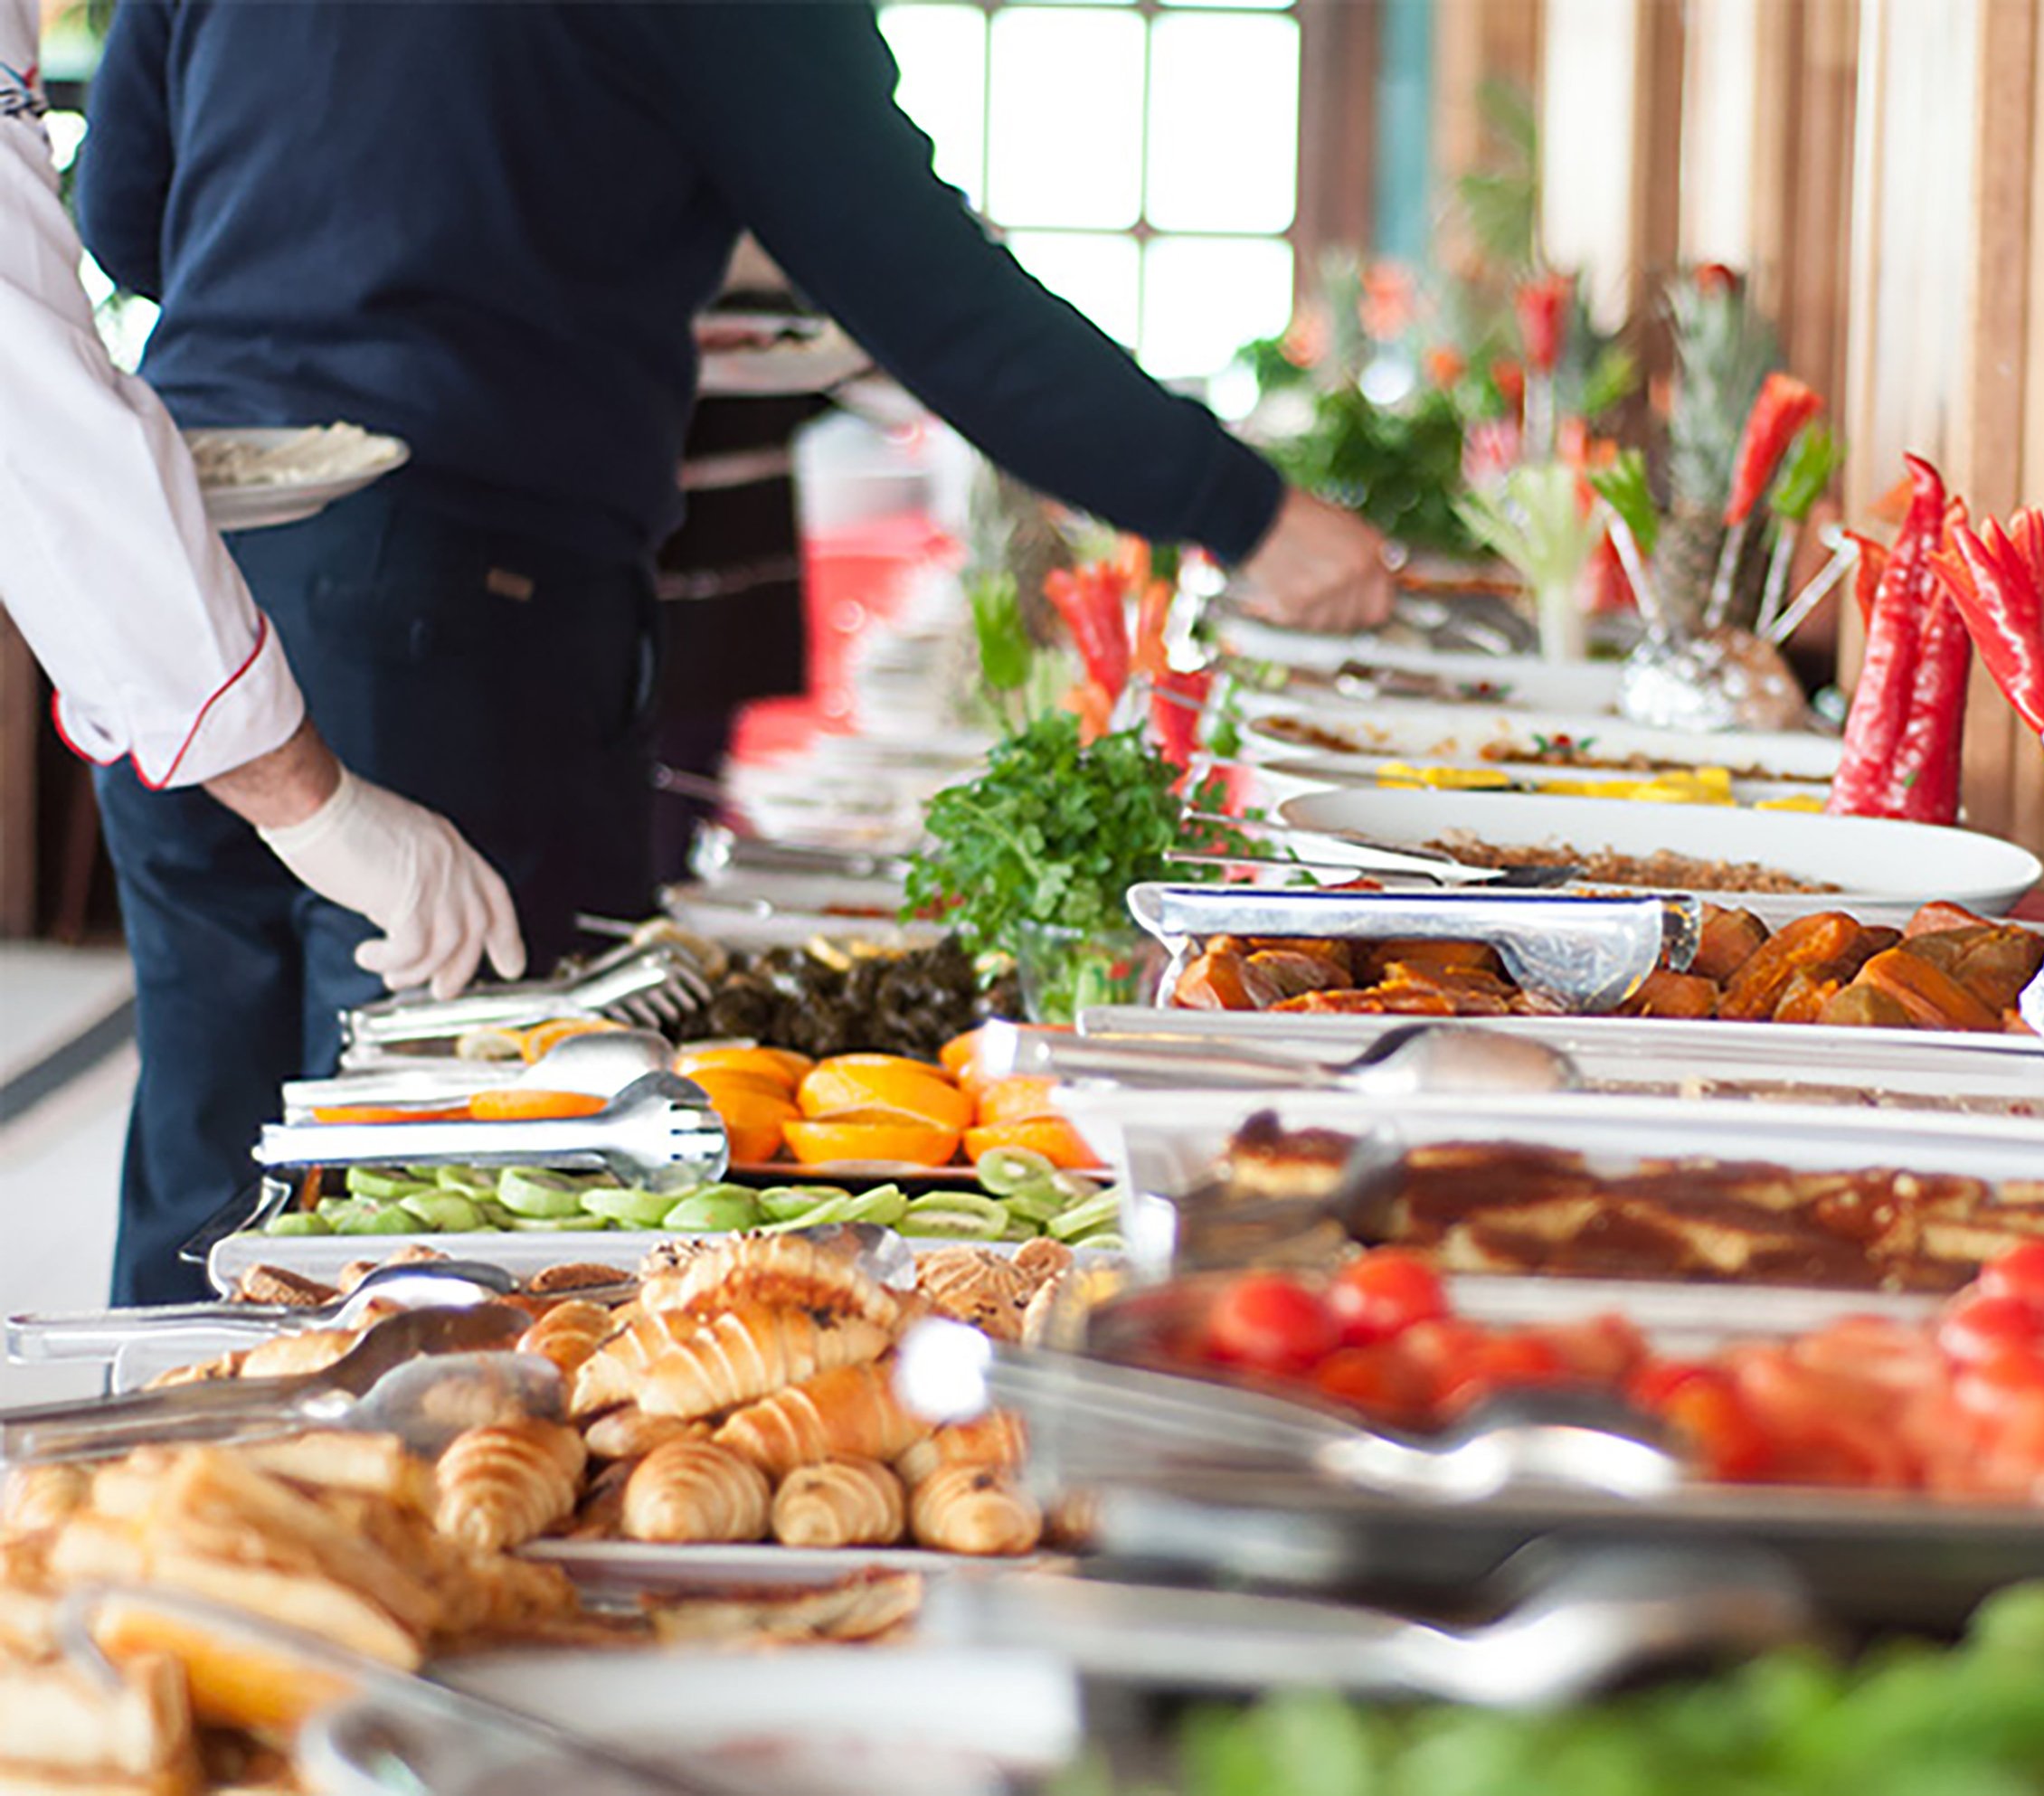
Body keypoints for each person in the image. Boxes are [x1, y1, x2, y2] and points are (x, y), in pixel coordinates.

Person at [71, 1, 1395, 1301]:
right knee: (460, 1206)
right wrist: (1245, 512)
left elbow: (127, 217)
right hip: (458, 603)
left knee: (211, 1160)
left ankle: (135, 1513)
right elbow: (928, 289)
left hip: (190, 575)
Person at [1, 0, 524, 1300]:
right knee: (382, 1182)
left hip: (216, 516)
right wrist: (312, 799)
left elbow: (110, 224)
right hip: (417, 569)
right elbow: (29, 408)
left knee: (205, 1133)